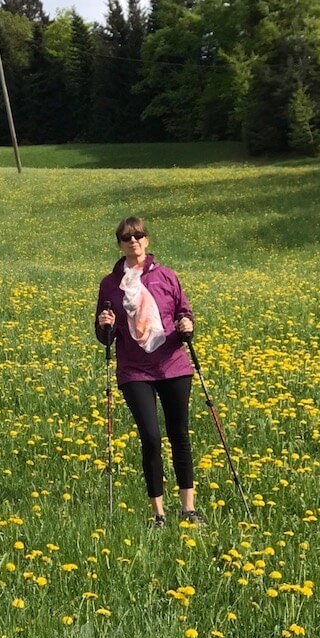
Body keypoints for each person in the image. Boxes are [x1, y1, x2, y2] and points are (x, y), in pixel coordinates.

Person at [95, 216, 207, 527]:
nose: (133, 242)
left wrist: (188, 327)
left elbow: (184, 315)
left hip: (173, 365)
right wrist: (106, 325)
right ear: (119, 244)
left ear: (147, 240)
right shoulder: (110, 284)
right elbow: (105, 336)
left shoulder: (167, 277)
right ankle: (158, 513)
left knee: (179, 436)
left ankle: (189, 509)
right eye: (126, 238)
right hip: (134, 371)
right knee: (151, 437)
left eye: (138, 236)